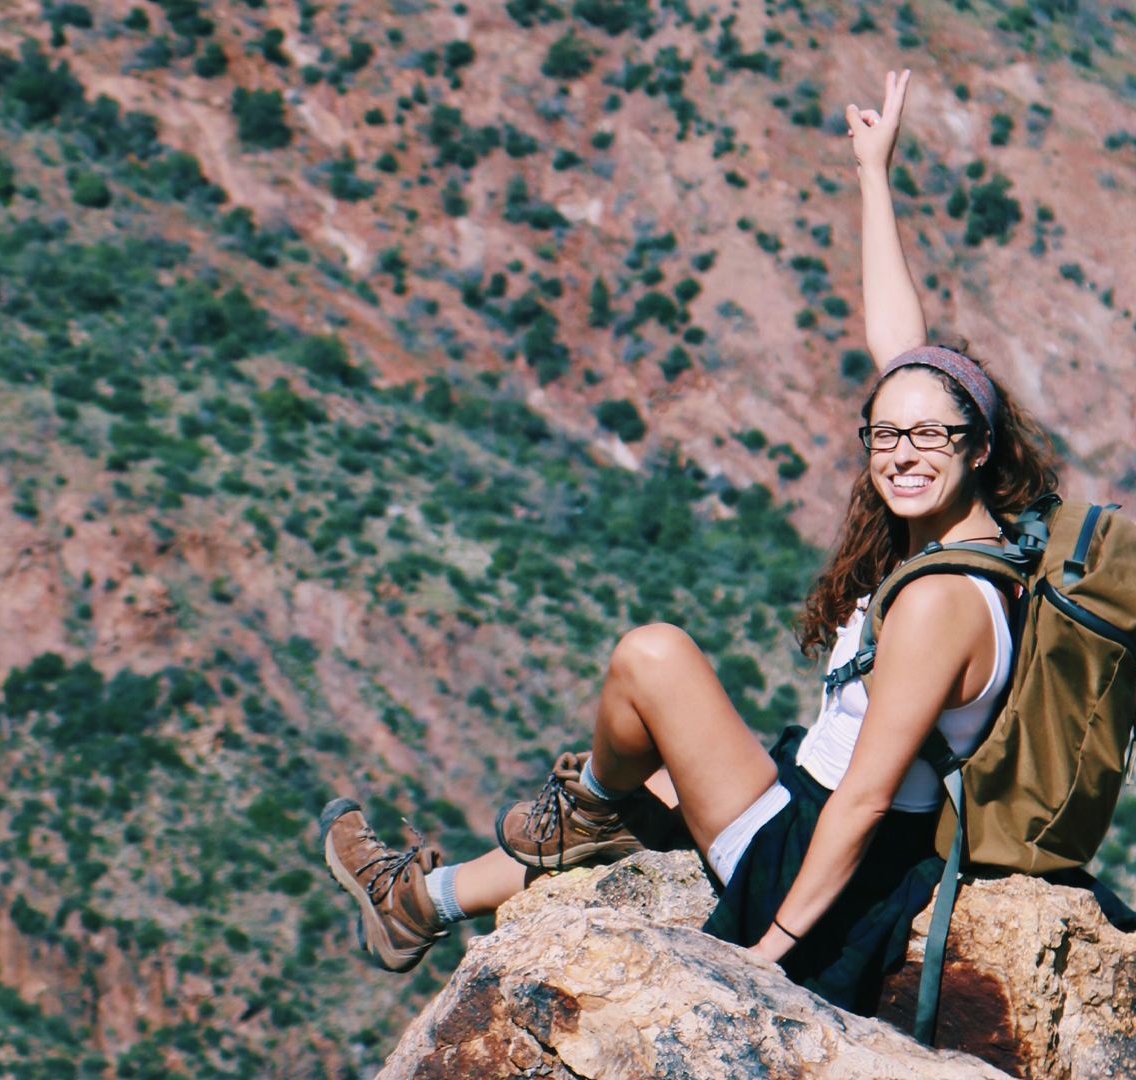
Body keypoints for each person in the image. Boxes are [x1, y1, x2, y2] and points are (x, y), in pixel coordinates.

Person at [317, 68, 1061, 1014]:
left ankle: (564, 819)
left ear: (979, 443)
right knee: (653, 785)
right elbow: (902, 349)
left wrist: (770, 951)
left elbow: (867, 799)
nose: (903, 452)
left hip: (819, 871)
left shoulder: (942, 602)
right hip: (811, 805)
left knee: (651, 660)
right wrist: (875, 173)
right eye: (886, 431)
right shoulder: (991, 541)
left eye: (929, 435)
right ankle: (423, 901)